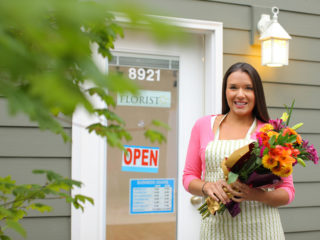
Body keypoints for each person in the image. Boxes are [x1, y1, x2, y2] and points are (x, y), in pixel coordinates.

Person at [183, 62, 295, 239]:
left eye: (248, 88)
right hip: (216, 230)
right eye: (233, 87)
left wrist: (256, 195)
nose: (240, 95)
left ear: (256, 93)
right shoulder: (203, 125)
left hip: (262, 229)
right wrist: (207, 186)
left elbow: (288, 191)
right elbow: (188, 177)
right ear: (225, 91)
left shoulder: (271, 132)